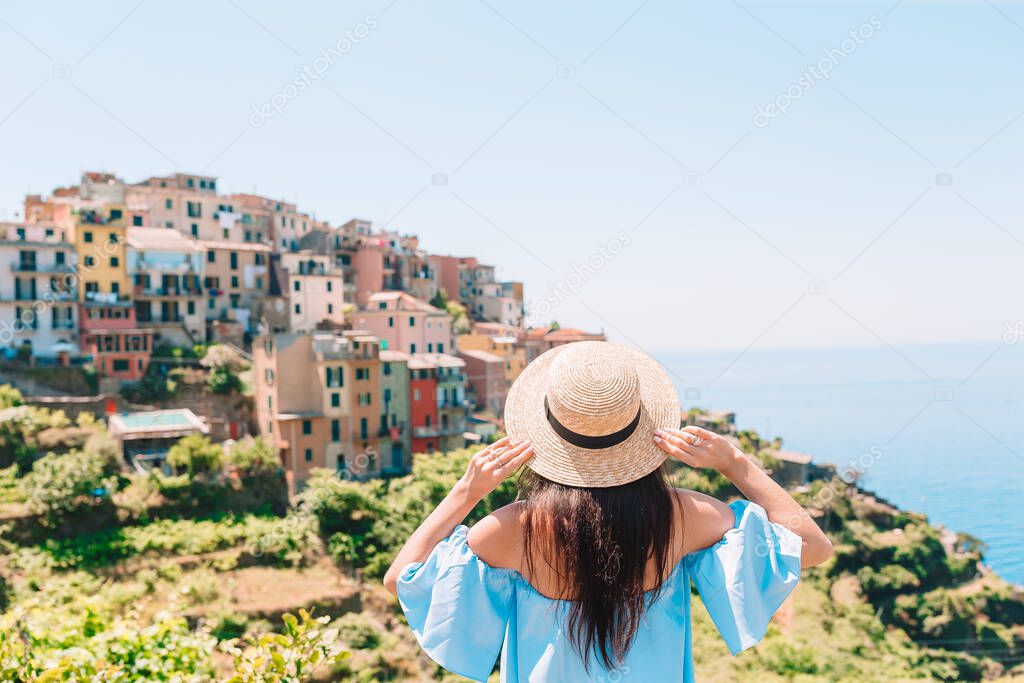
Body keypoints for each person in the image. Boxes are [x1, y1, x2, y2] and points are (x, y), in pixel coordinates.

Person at [384, 341, 833, 682]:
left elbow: (401, 578)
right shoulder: (686, 516)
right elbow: (811, 546)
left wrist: (466, 491)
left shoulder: (513, 529)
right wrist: (735, 464)